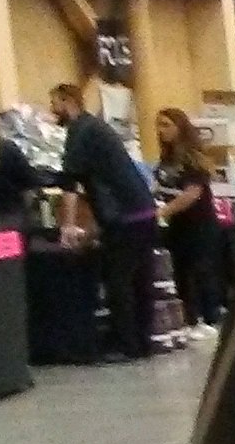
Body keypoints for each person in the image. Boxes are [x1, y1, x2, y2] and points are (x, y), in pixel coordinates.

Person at [49, 82, 159, 361]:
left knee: (118, 281)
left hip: (124, 216)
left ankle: (126, 344)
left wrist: (68, 226)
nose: (52, 110)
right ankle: (143, 341)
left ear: (68, 100)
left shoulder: (80, 131)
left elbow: (70, 184)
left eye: (55, 103)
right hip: (143, 210)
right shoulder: (98, 129)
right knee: (140, 280)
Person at [152, 107, 220, 335]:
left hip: (199, 223)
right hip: (177, 225)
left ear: (180, 128)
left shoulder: (192, 158)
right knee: (180, 271)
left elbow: (192, 193)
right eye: (158, 125)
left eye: (166, 125)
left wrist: (164, 211)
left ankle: (210, 319)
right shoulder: (166, 159)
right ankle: (190, 319)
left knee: (201, 270)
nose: (161, 130)